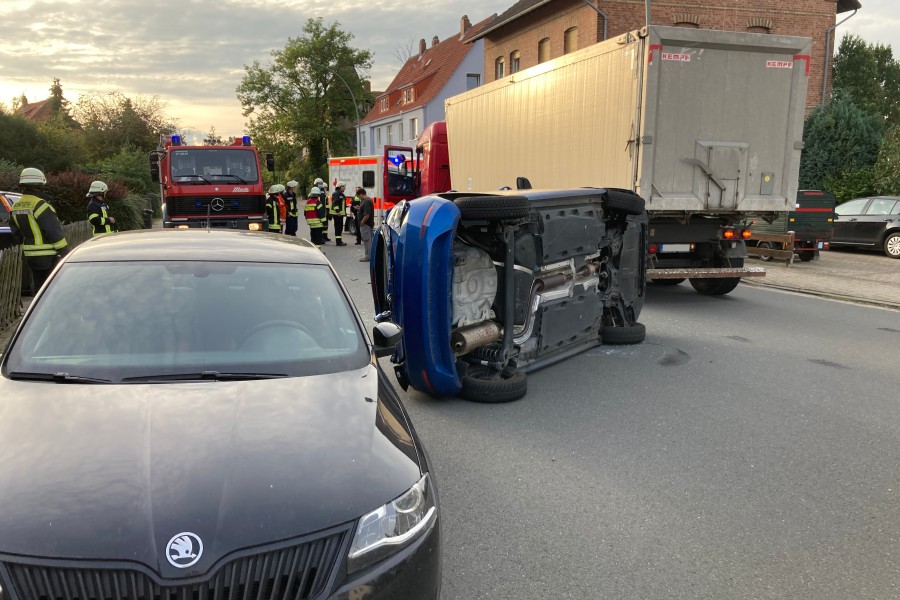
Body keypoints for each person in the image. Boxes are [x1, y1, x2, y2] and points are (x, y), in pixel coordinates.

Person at [9, 167, 69, 294]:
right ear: (40, 185)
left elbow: (16, 233)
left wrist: (26, 245)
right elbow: (53, 231)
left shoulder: (15, 206)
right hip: (48, 256)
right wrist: (64, 251)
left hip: (30, 256)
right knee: (52, 291)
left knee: (39, 290)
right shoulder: (41, 205)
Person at [357, 187, 375, 262]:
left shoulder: (366, 201)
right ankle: (368, 255)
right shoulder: (367, 201)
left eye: (359, 196)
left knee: (367, 240)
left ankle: (368, 256)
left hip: (366, 225)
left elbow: (367, 214)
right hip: (368, 224)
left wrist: (362, 222)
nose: (359, 198)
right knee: (368, 239)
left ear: (361, 194)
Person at [329, 181, 348, 246]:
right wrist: (338, 211)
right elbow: (335, 203)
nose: (344, 188)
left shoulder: (341, 194)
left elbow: (341, 204)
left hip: (340, 214)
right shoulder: (336, 194)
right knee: (338, 228)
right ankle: (338, 242)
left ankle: (339, 241)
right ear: (339, 187)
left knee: (340, 228)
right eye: (343, 186)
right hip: (337, 214)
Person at [315, 177, 330, 242]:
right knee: (318, 226)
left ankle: (323, 237)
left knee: (323, 225)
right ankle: (319, 238)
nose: (321, 185)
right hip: (318, 212)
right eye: (319, 183)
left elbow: (325, 204)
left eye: (321, 183)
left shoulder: (323, 193)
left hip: (323, 212)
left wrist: (327, 211)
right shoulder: (315, 192)